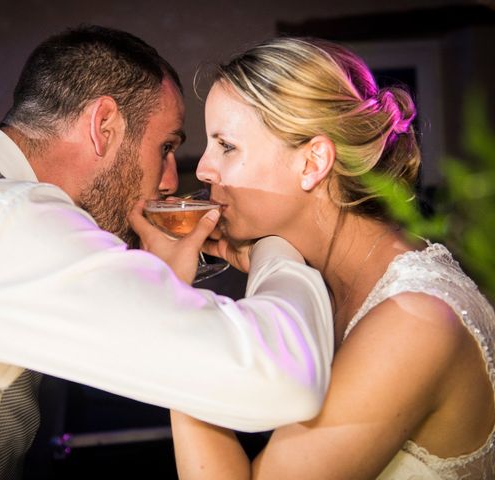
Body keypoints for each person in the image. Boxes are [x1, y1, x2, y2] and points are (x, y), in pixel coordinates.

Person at [0, 26, 335, 479]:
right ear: (104, 125)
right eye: (165, 147)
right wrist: (278, 246)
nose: (172, 180)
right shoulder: (3, 224)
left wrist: (163, 293)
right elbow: (283, 377)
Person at [142, 36, 495, 479]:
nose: (204, 169)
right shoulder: (336, 279)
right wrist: (268, 253)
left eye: (226, 146)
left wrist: (174, 308)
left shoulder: (413, 322)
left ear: (312, 163)